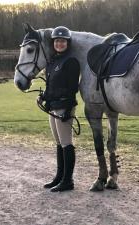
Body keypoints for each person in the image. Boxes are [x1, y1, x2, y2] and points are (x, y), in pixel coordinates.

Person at [38, 26, 80, 192]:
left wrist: (68, 109)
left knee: (66, 143)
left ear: (67, 43)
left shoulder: (71, 61)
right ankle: (59, 176)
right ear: (53, 43)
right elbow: (50, 86)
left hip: (64, 107)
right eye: (57, 41)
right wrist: (44, 97)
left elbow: (72, 88)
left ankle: (68, 180)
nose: (59, 43)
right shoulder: (53, 61)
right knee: (58, 143)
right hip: (54, 107)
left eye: (62, 41)